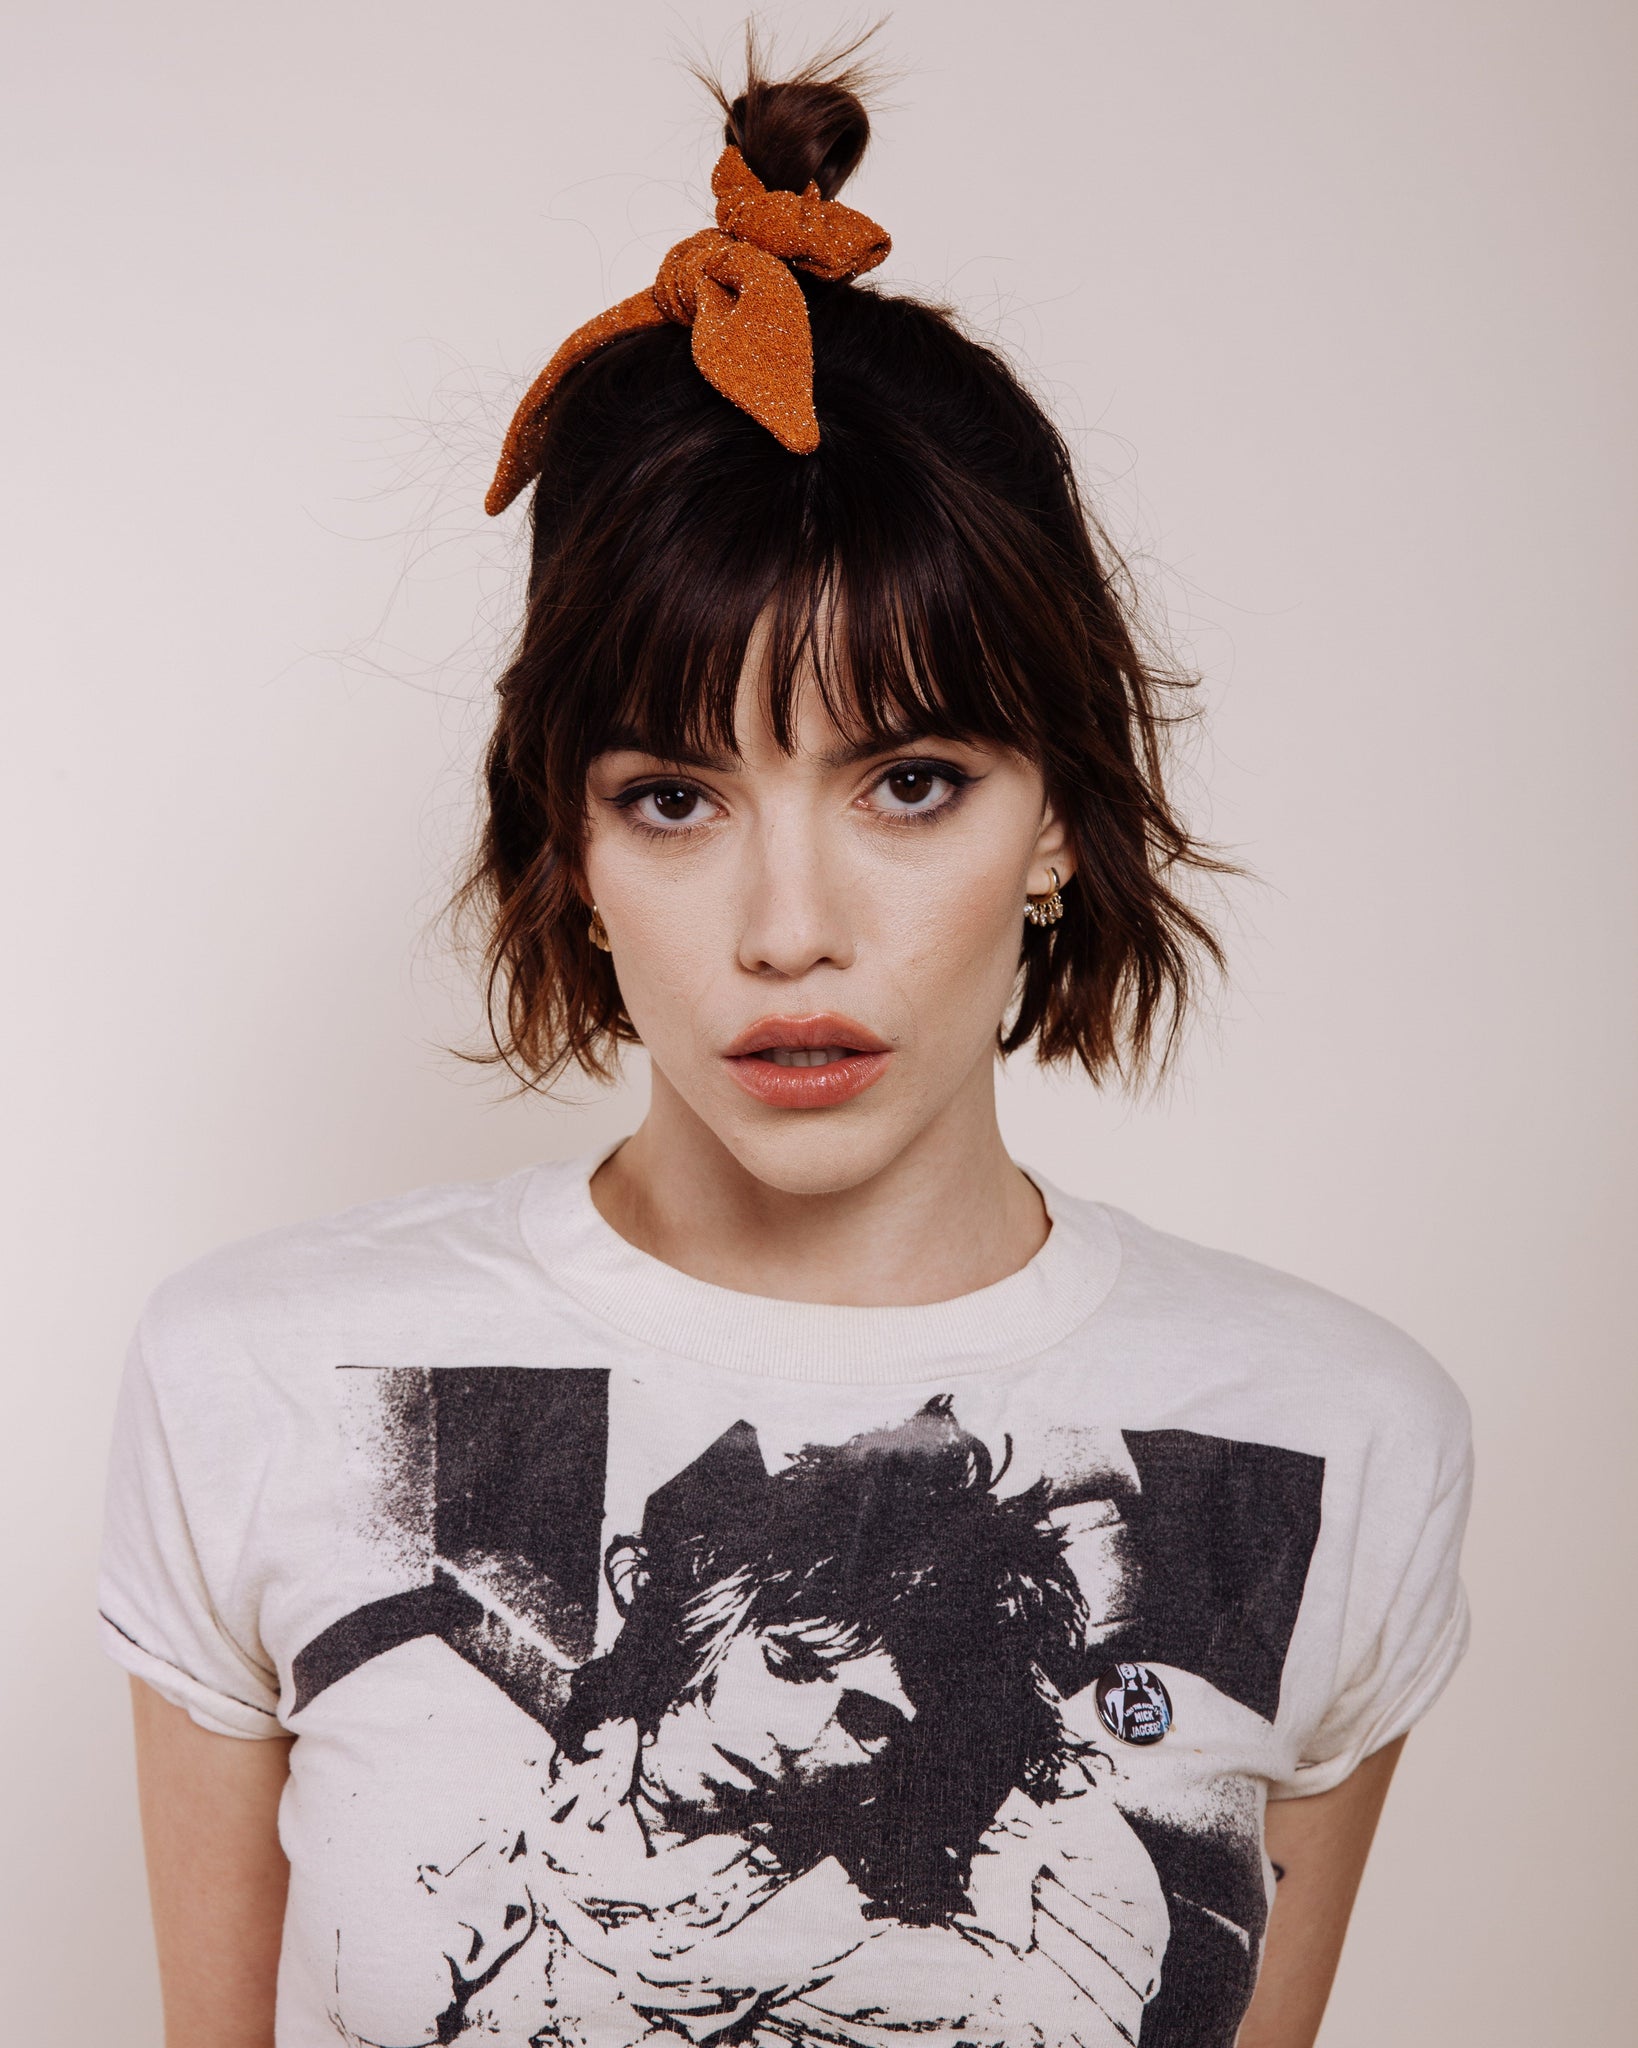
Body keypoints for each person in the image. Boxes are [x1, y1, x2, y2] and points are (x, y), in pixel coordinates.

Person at [101, 42, 1473, 2048]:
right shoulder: (257, 1380)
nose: (787, 927)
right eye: (674, 796)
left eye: (910, 781)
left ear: (1058, 820)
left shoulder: (1332, 1438)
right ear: (571, 848)